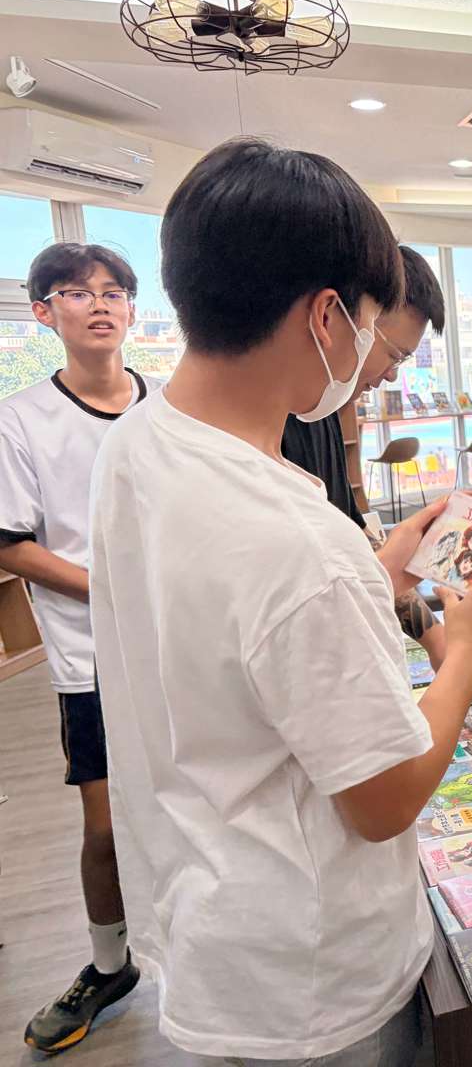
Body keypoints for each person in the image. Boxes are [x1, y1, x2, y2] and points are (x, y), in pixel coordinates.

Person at [86, 137, 472, 1065]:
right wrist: (469, 651)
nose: (371, 357)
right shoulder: (298, 541)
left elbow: (225, 637)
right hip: (314, 976)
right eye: (369, 325)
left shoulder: (137, 442)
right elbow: (385, 798)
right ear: (328, 316)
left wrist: (379, 575)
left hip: (211, 919)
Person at [0, 243, 157, 1054]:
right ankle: (109, 965)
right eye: (75, 292)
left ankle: (208, 943)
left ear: (133, 309)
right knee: (105, 826)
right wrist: (113, 590)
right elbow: (11, 544)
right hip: (90, 653)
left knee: (205, 800)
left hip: (182, 642)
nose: (99, 304)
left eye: (114, 292)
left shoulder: (168, 409)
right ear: (43, 312)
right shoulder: (21, 418)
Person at [280, 243, 466, 679]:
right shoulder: (248, 446)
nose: (392, 374)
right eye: (394, 354)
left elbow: (354, 539)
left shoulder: (322, 409)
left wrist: (437, 640)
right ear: (334, 317)